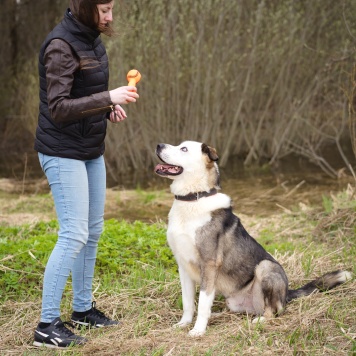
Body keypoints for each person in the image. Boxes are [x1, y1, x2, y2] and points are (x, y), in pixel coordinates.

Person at [33, 0, 139, 348]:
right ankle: (46, 325)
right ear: (82, 7)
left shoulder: (91, 39)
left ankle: (82, 310)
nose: (110, 17)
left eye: (111, 9)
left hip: (90, 149)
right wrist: (108, 95)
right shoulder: (61, 46)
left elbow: (84, 95)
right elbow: (59, 108)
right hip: (61, 151)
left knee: (92, 231)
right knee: (74, 233)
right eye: (104, 9)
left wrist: (107, 108)